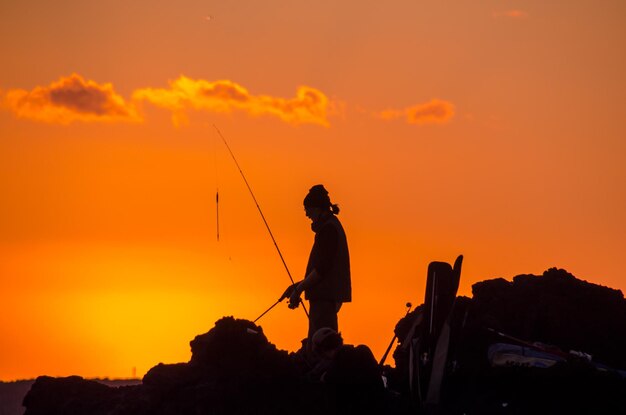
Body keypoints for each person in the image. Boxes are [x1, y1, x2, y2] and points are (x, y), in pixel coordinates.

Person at [281, 184, 352, 343]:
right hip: (325, 298)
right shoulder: (331, 227)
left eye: (308, 209)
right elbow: (322, 269)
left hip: (324, 300)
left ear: (318, 209)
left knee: (322, 346)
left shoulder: (329, 230)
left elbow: (321, 270)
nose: (306, 214)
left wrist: (299, 289)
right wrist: (296, 286)